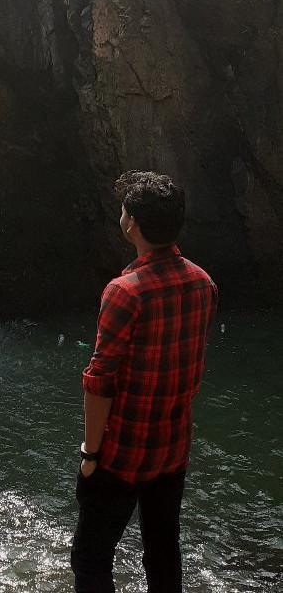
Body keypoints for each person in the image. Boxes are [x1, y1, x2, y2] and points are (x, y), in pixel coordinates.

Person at [71, 170, 218, 593]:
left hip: (122, 454)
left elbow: (98, 381)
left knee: (91, 558)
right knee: (163, 550)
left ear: (131, 223)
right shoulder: (203, 284)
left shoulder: (125, 291)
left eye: (123, 210)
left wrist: (90, 455)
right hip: (172, 449)